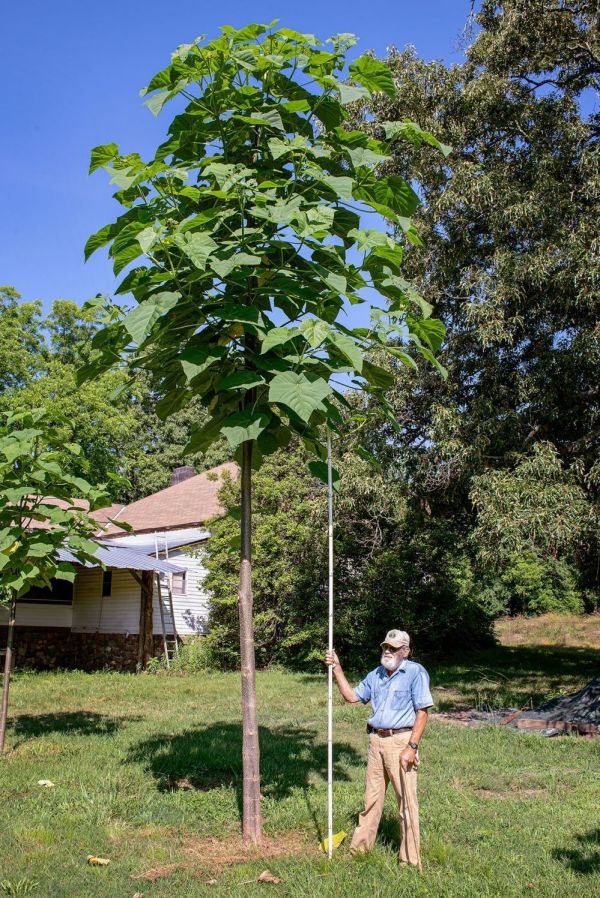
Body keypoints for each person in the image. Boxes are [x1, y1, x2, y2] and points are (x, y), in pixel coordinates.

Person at [324, 629, 433, 867]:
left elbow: (422, 712)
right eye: (385, 647)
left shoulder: (415, 672)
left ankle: (410, 859)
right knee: (371, 799)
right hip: (376, 741)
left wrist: (411, 747)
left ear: (405, 651)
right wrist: (337, 669)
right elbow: (353, 697)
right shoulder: (376, 674)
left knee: (406, 802)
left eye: (393, 648)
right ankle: (360, 851)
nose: (387, 652)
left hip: (401, 743)